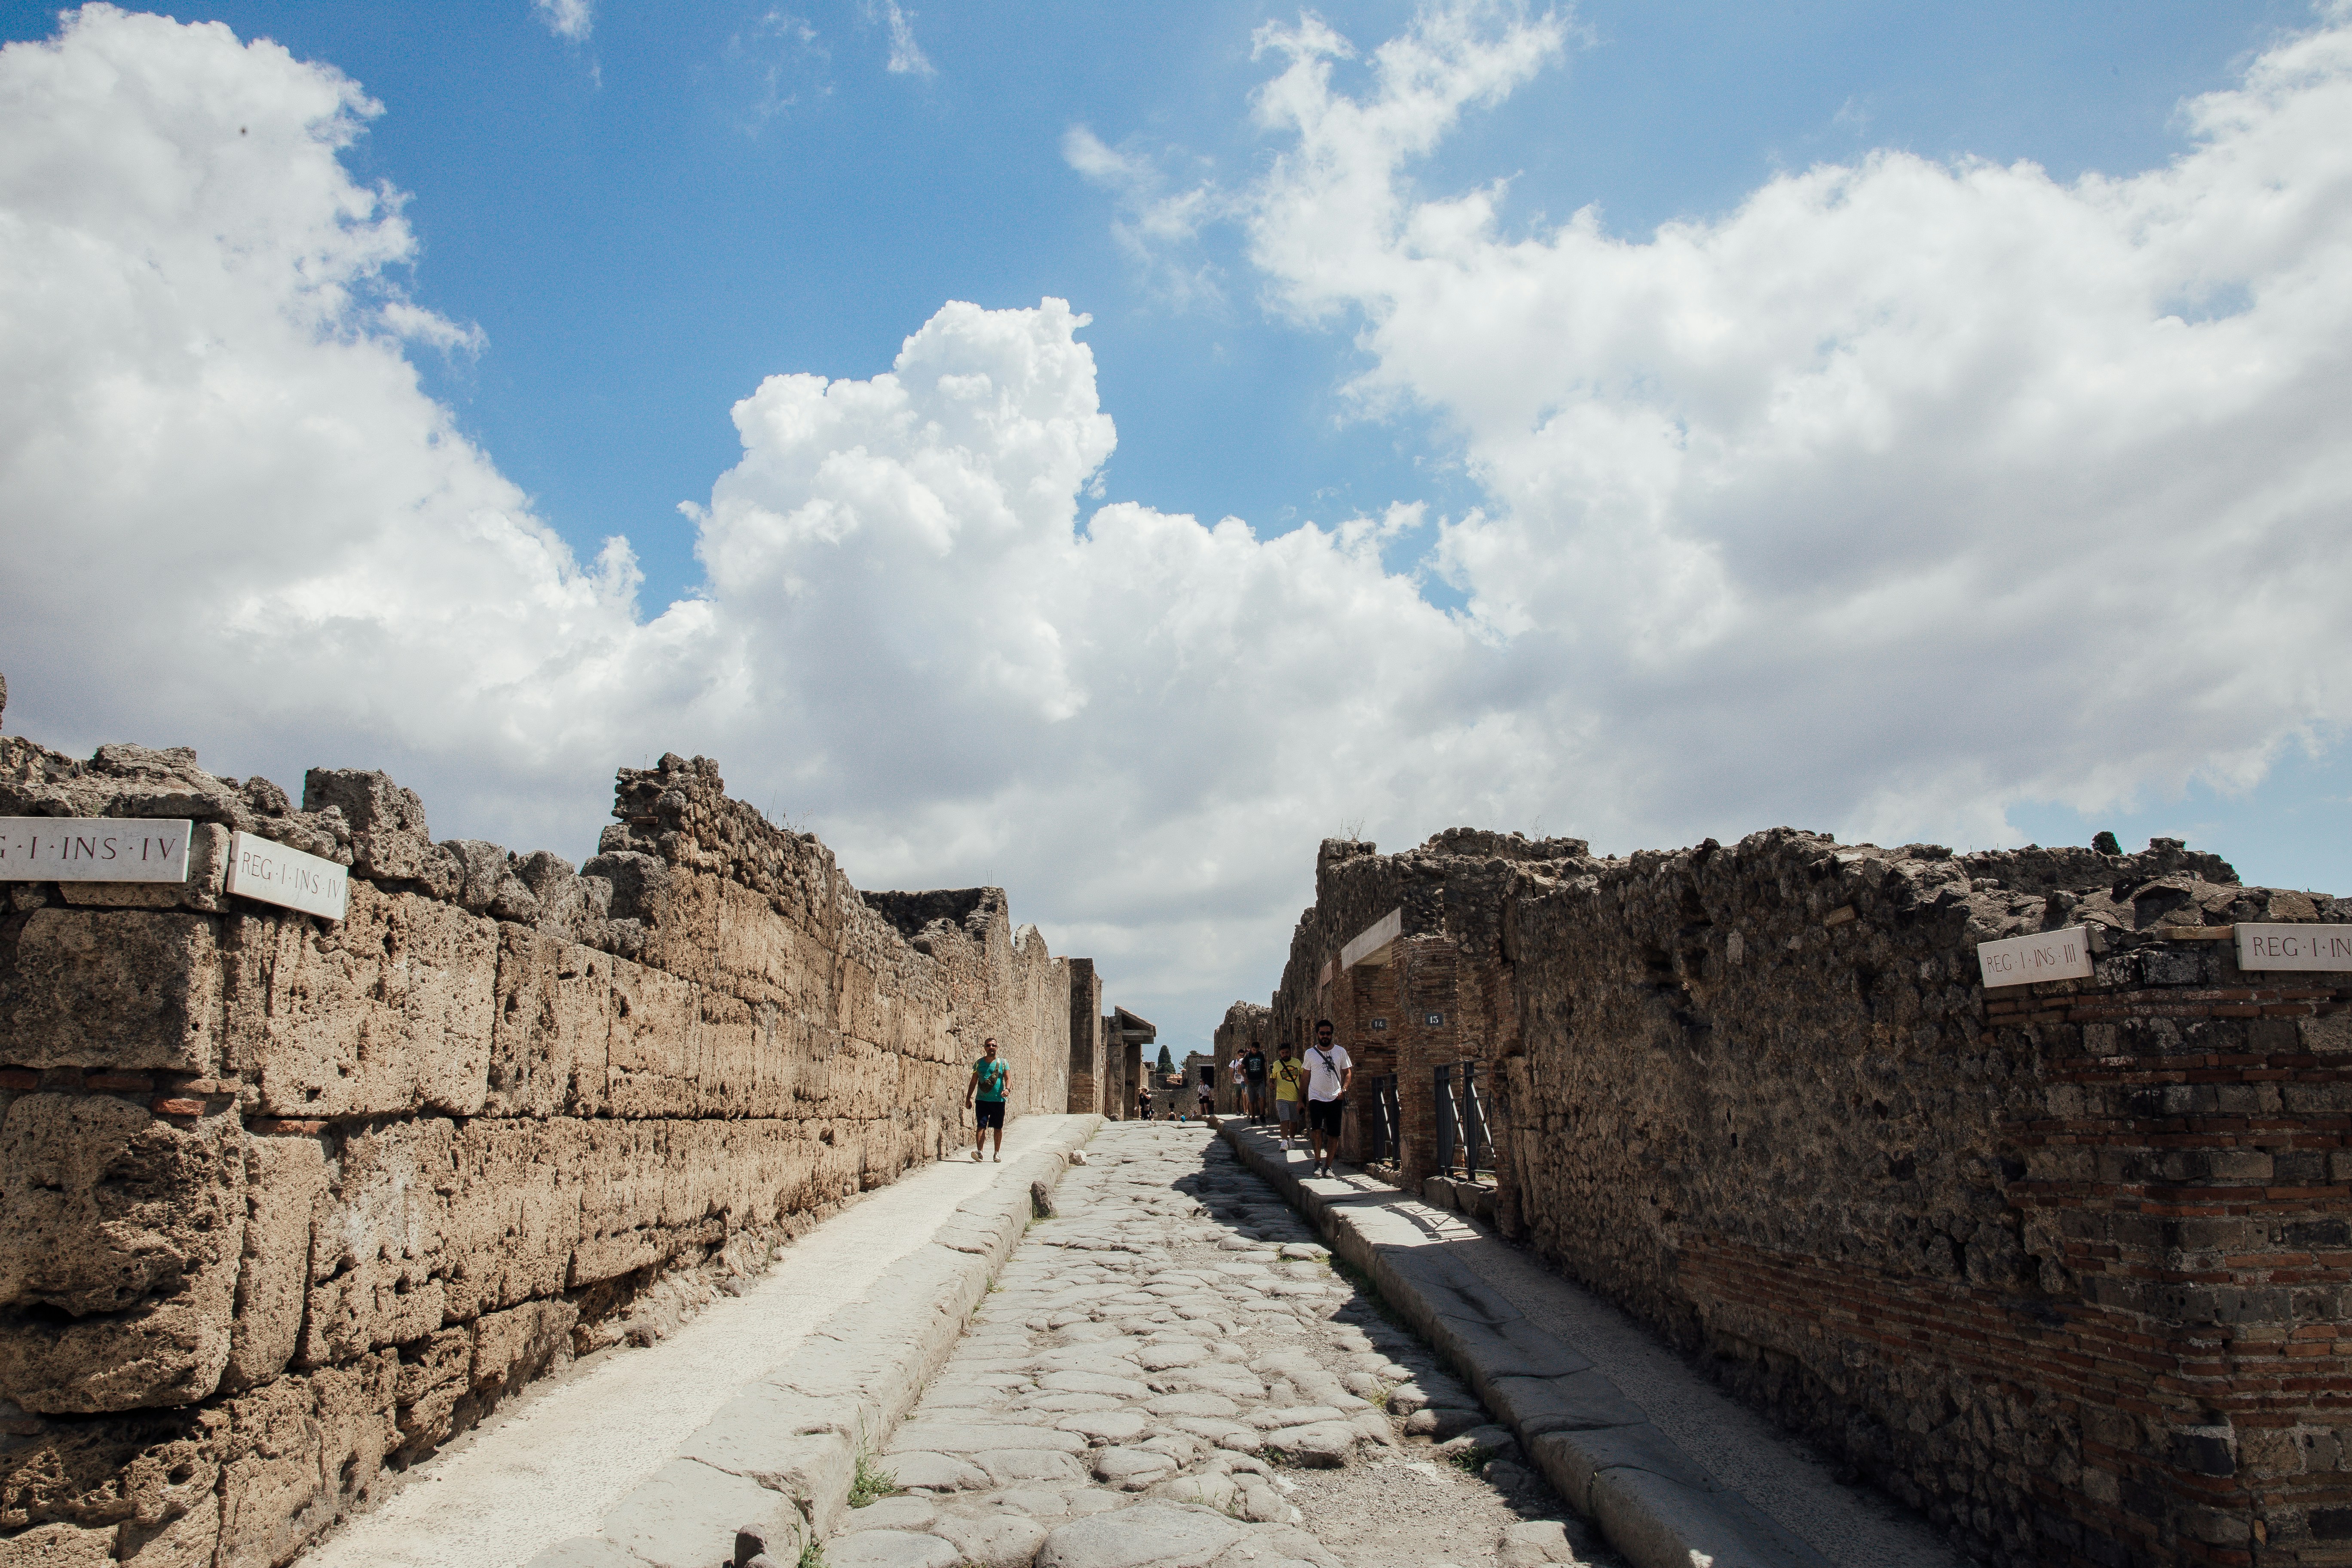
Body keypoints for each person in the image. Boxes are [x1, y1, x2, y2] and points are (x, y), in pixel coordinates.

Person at [1304, 1020, 1352, 1178]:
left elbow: (1348, 1073)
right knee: (1316, 1129)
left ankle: (1328, 1166)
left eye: (1328, 1033)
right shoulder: (1310, 1053)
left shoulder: (1340, 1052)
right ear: (1317, 1034)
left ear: (1332, 1034)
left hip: (1335, 1096)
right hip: (1316, 1096)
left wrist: (1344, 1090)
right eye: (1322, 1033)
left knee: (1334, 1133)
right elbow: (1305, 1077)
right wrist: (1300, 1099)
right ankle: (1317, 1162)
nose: (1325, 1036)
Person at [964, 1037, 1008, 1162]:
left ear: (997, 1047)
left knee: (998, 1128)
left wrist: (1008, 1089)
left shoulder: (1003, 1063)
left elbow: (1008, 1078)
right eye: (988, 1046)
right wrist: (968, 1098)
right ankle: (980, 1152)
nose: (991, 1048)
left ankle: (997, 1153)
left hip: (998, 1101)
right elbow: (973, 1082)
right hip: (982, 1100)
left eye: (994, 1046)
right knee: (981, 1126)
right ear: (985, 1048)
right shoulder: (979, 1063)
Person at [1270, 1042, 1305, 1150]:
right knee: (1284, 1120)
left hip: (1295, 1097)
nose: (1285, 1055)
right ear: (1280, 1054)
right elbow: (1272, 1077)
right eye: (1283, 1053)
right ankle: (1284, 1141)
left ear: (1291, 1052)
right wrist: (1271, 1083)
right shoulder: (1277, 1064)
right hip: (1281, 1097)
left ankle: (1292, 1140)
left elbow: (1303, 1076)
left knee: (1294, 1121)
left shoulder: (1297, 1063)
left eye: (1287, 1053)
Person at [1241, 1041, 1269, 1124]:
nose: (1255, 1052)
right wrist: (1245, 1077)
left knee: (1262, 1097)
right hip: (1250, 1081)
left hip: (1260, 1080)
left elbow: (1264, 1068)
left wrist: (1266, 1079)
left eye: (1257, 1050)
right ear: (1251, 1048)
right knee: (1252, 1100)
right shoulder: (1248, 1056)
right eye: (1254, 1050)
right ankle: (1253, 1118)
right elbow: (1241, 1068)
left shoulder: (1261, 1055)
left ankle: (1262, 1114)